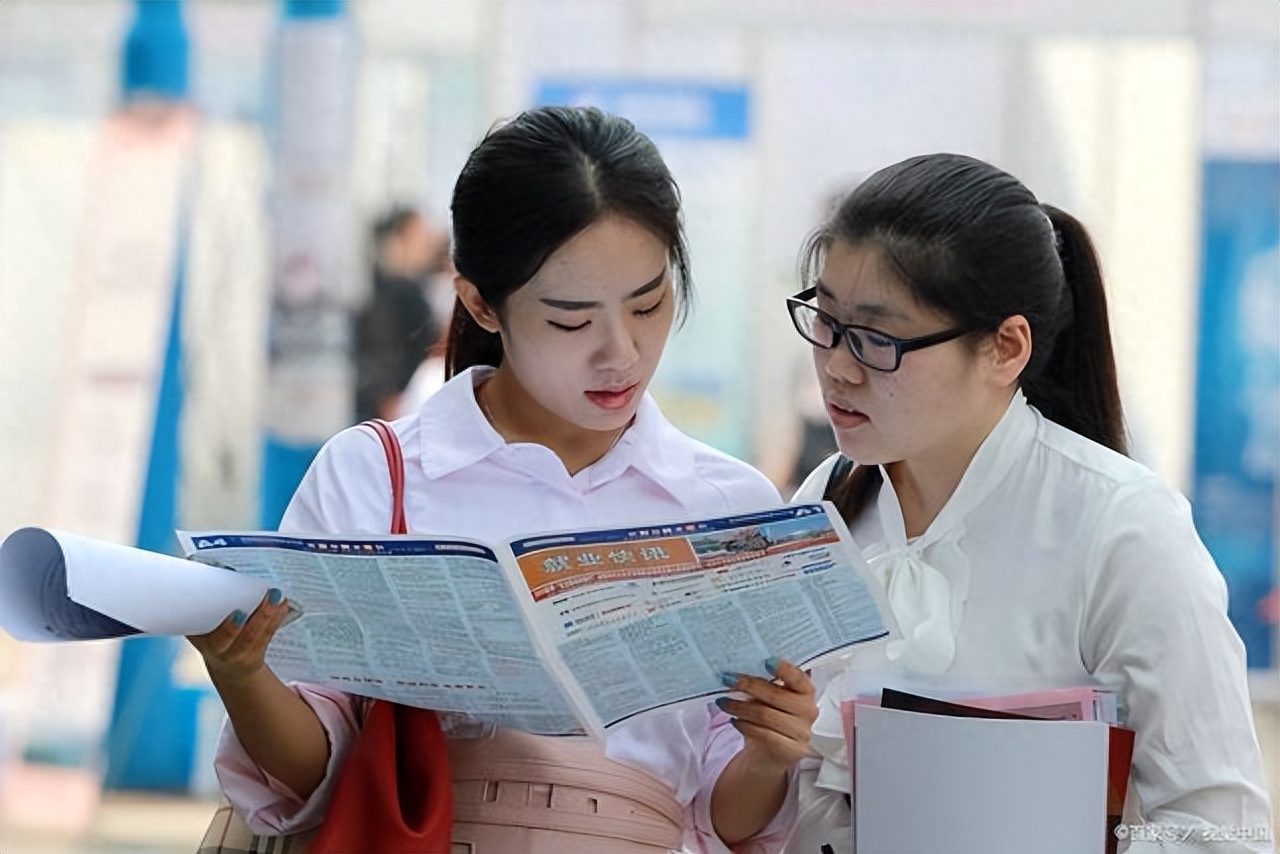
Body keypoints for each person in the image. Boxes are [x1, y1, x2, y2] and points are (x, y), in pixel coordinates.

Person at [190, 106, 814, 853]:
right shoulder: (375, 475)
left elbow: (722, 818)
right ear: (481, 301)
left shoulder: (728, 506)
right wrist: (243, 675)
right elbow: (306, 781)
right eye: (570, 321)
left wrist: (772, 754)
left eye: (648, 304)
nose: (621, 352)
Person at [780, 153, 1273, 853]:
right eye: (824, 321)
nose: (836, 364)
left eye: (876, 338)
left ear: (1006, 348)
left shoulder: (1122, 527)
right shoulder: (827, 502)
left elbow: (1226, 832)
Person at [352, 205, 449, 422]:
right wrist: (387, 396)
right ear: (400, 240)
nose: (428, 244)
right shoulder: (389, 293)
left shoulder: (417, 287)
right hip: (392, 405)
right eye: (420, 236)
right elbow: (381, 350)